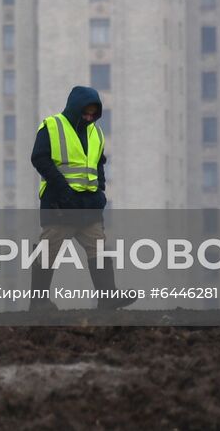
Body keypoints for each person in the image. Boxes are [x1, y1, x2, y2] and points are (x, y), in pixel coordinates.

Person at [28, 85, 131, 311]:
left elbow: (98, 164)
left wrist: (101, 192)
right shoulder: (52, 126)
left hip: (88, 207)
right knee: (48, 252)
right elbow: (40, 159)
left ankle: (108, 297)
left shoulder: (96, 132)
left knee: (99, 250)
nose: (89, 117)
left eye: (93, 113)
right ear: (75, 109)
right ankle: (38, 302)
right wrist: (64, 191)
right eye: (86, 112)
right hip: (59, 206)